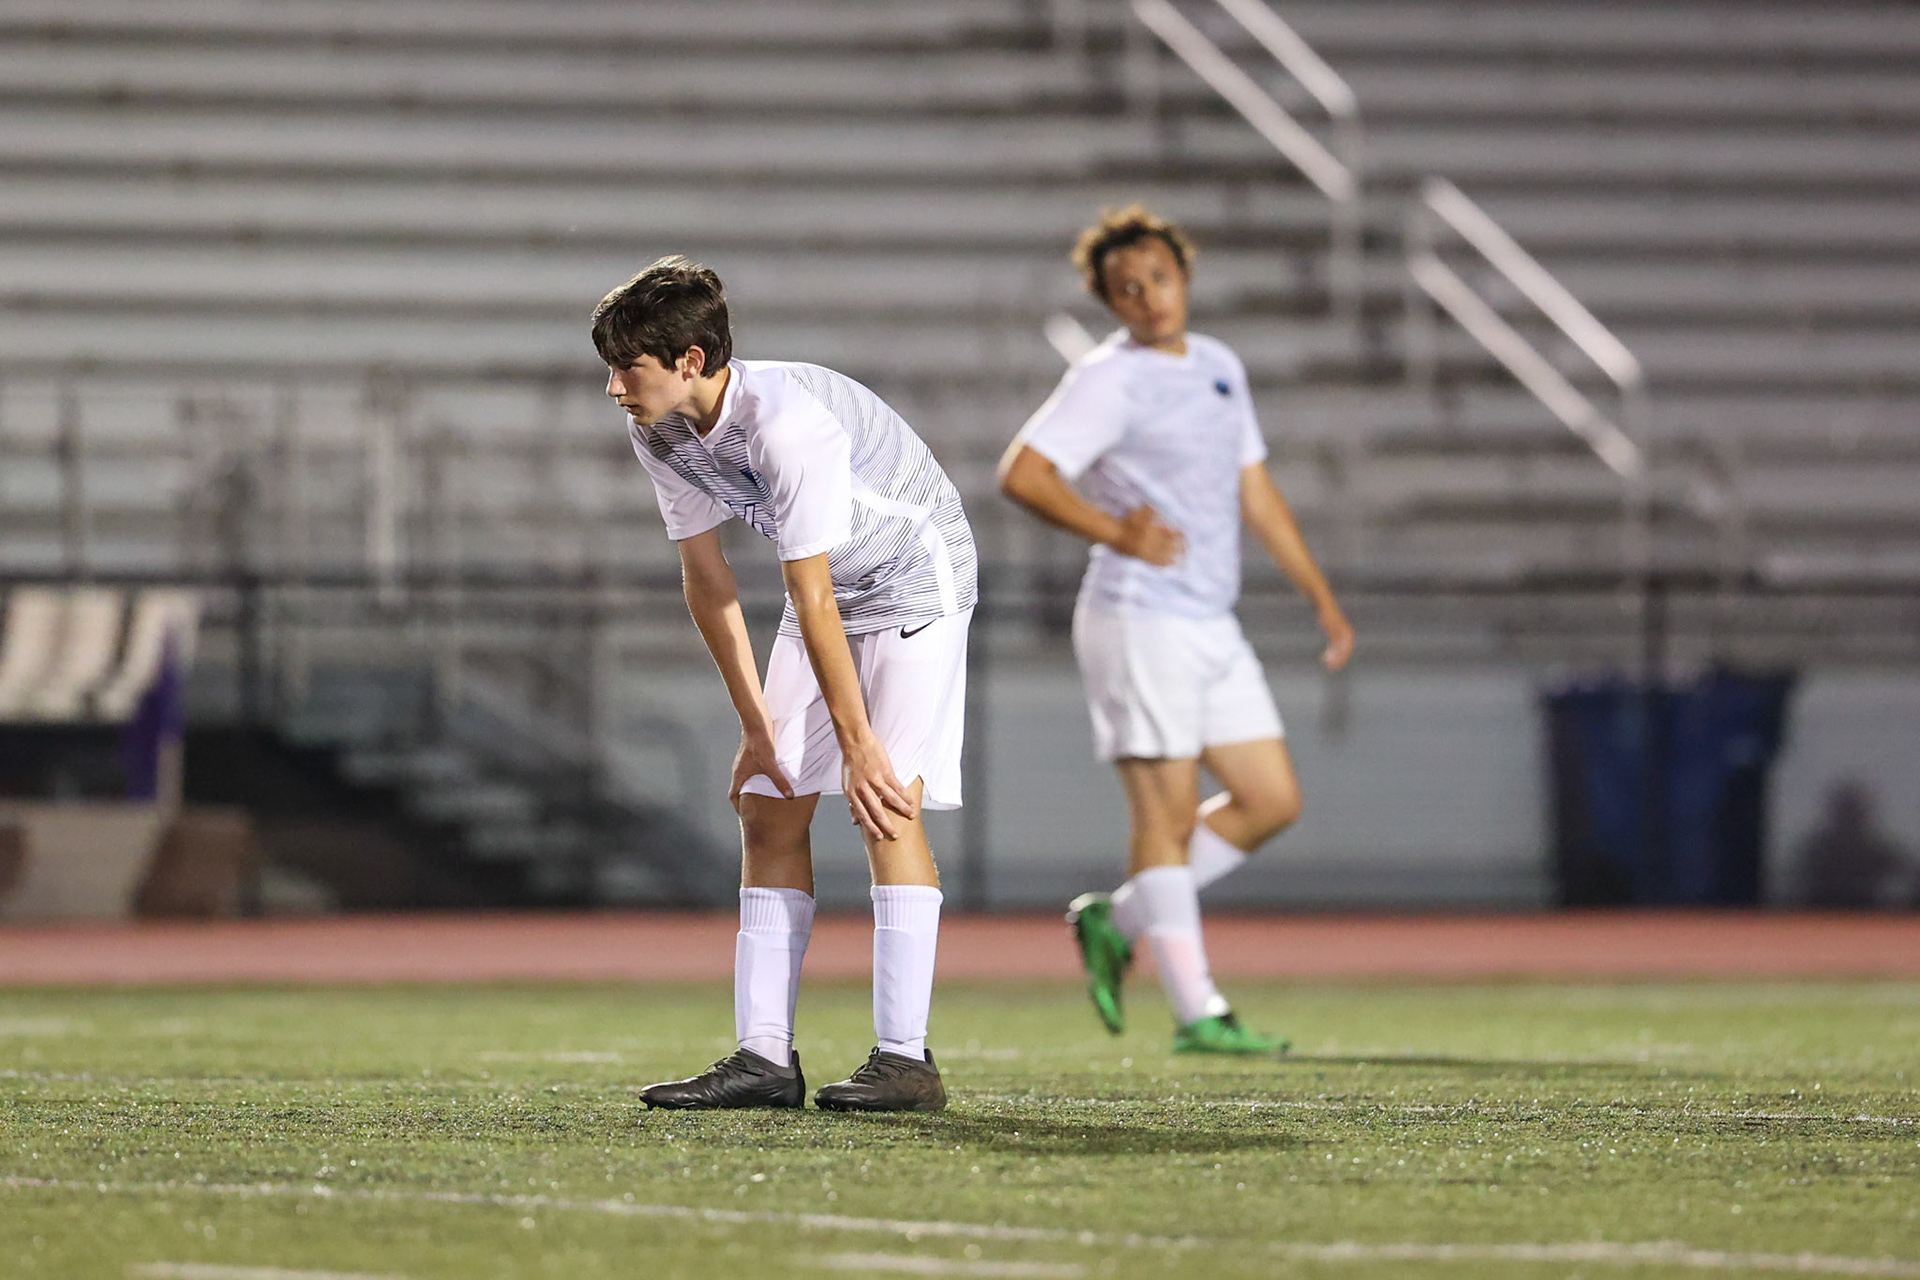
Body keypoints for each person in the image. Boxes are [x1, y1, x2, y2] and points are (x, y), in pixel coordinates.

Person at [596, 256, 975, 1111]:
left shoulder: (788, 426)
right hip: (833, 593)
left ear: (691, 359)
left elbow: (806, 589)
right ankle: (765, 1059)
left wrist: (858, 743)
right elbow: (708, 577)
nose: (616, 387)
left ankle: (906, 1060)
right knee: (767, 800)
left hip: (915, 581)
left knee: (885, 801)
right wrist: (757, 724)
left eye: (630, 367)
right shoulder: (657, 428)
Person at [998, 206, 1354, 1055]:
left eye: (1159, 279)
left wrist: (1321, 597)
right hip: (1136, 615)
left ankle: (1117, 921)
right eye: (1128, 288)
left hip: (1208, 619)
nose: (1149, 298)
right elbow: (1023, 474)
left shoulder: (1220, 366)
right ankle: (1198, 1010)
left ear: (1183, 278)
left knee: (1272, 801)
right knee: (1167, 811)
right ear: (1110, 302)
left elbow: (1255, 493)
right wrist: (1118, 532)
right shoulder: (1107, 378)